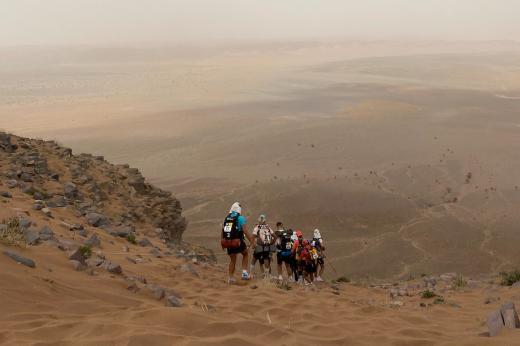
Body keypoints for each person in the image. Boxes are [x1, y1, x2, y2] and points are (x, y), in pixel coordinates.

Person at [221, 202, 254, 284]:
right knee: (245, 253)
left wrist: (222, 242)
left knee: (232, 260)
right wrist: (252, 241)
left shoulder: (226, 218)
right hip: (238, 241)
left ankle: (231, 278)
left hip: (228, 242)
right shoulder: (240, 218)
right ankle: (244, 273)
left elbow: (222, 231)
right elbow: (245, 231)